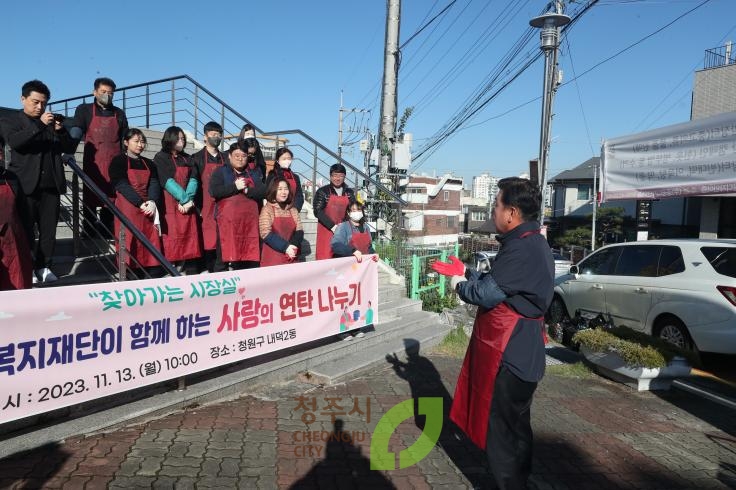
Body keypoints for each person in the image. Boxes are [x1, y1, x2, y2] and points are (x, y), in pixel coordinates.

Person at [431, 177, 554, 490]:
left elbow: (487, 294)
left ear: (511, 213)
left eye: (496, 205)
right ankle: (521, 482)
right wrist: (468, 272)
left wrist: (459, 284)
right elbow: (502, 284)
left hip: (511, 355)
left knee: (501, 434)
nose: (493, 211)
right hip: (525, 354)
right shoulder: (531, 241)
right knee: (517, 427)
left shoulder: (522, 248)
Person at [0, 80, 77, 283]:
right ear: (23, 99)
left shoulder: (50, 123)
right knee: (25, 229)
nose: (40, 107)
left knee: (48, 230)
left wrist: (60, 130)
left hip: (51, 184)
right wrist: (41, 125)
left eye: (43, 103)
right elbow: (16, 142)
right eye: (35, 102)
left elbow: (69, 147)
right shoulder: (11, 120)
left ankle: (45, 266)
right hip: (25, 184)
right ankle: (28, 267)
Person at [70, 77, 128, 234]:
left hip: (115, 161)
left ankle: (106, 229)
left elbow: (125, 139)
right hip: (93, 161)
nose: (107, 95)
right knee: (90, 195)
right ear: (94, 92)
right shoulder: (84, 110)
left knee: (112, 197)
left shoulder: (119, 113)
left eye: (111, 93)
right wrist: (69, 150)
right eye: (103, 92)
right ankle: (88, 229)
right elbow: (76, 130)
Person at [108, 128, 162, 277]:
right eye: (136, 141)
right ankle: (130, 270)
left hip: (147, 205)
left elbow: (154, 183)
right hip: (128, 205)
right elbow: (121, 184)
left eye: (142, 141)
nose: (140, 145)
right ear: (126, 142)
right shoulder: (118, 161)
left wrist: (152, 201)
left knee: (150, 237)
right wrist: (139, 202)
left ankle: (152, 268)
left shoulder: (149, 163)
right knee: (129, 237)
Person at [209, 143, 265, 271]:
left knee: (247, 255)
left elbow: (263, 191)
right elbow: (214, 191)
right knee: (223, 257)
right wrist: (235, 187)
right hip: (227, 223)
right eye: (237, 155)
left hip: (249, 223)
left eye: (243, 156)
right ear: (229, 156)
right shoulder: (220, 171)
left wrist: (247, 191)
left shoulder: (253, 173)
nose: (240, 159)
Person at [153, 126, 202, 273]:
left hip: (188, 204)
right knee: (173, 237)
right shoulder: (161, 157)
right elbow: (166, 181)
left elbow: (194, 178)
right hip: (171, 204)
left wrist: (189, 199)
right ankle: (172, 267)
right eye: (178, 138)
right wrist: (184, 199)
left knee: (190, 236)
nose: (181, 141)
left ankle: (190, 267)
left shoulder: (188, 158)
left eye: (183, 138)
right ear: (170, 139)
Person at [190, 121, 228, 273]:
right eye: (213, 135)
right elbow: (194, 184)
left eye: (219, 135)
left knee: (223, 239)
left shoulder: (226, 158)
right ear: (205, 137)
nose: (216, 138)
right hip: (205, 207)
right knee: (208, 240)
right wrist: (198, 207)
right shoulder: (196, 158)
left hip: (224, 206)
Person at [0, 164, 33, 290]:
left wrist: (30, 243)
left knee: (18, 286)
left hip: (14, 244)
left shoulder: (11, 178)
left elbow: (24, 213)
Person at [313, 163, 355, 260]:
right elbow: (317, 211)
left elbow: (352, 209)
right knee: (325, 258)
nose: (337, 178)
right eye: (335, 175)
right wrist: (332, 226)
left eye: (341, 176)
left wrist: (343, 226)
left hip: (344, 230)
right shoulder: (323, 191)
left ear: (344, 177)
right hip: (326, 230)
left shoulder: (349, 192)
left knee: (342, 259)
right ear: (330, 176)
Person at [259, 177, 303, 267]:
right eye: (279, 189)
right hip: (273, 259)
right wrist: (286, 247)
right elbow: (265, 233)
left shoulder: (293, 210)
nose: (283, 192)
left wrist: (293, 247)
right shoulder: (267, 209)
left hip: (291, 256)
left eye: (286, 189)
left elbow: (299, 231)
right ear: (273, 190)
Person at [265, 148, 304, 212]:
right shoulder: (273, 174)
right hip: (276, 210)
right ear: (277, 160)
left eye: (289, 158)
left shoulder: (295, 177)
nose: (287, 161)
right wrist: (277, 205)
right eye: (284, 159)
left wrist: (295, 208)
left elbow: (299, 195)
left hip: (292, 210)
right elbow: (268, 192)